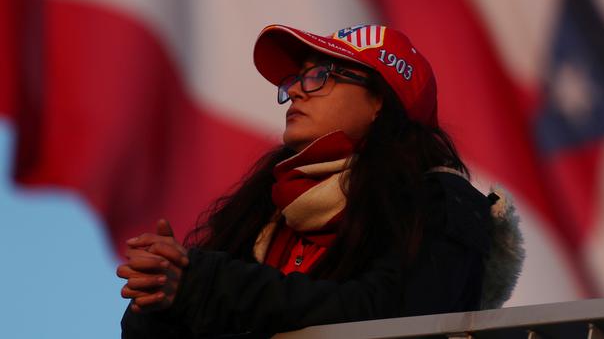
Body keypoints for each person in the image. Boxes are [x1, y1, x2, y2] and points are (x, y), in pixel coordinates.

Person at [117, 24, 523, 338]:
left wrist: (205, 284)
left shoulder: (440, 200)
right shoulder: (265, 206)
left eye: (321, 75)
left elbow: (389, 316)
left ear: (380, 100)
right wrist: (158, 298)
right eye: (295, 80)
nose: (296, 92)